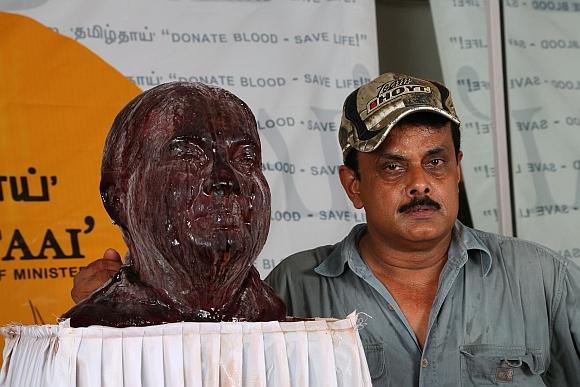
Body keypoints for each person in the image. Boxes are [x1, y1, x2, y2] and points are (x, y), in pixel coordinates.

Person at [70, 73, 580, 386]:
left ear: (459, 169)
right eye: (393, 167)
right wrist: (111, 314)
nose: (422, 185)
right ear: (352, 184)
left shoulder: (541, 279)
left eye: (436, 162)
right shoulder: (293, 288)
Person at [63, 82, 285, 327]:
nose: (225, 180)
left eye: (245, 158)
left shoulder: (280, 321)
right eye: (188, 156)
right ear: (118, 197)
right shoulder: (92, 340)